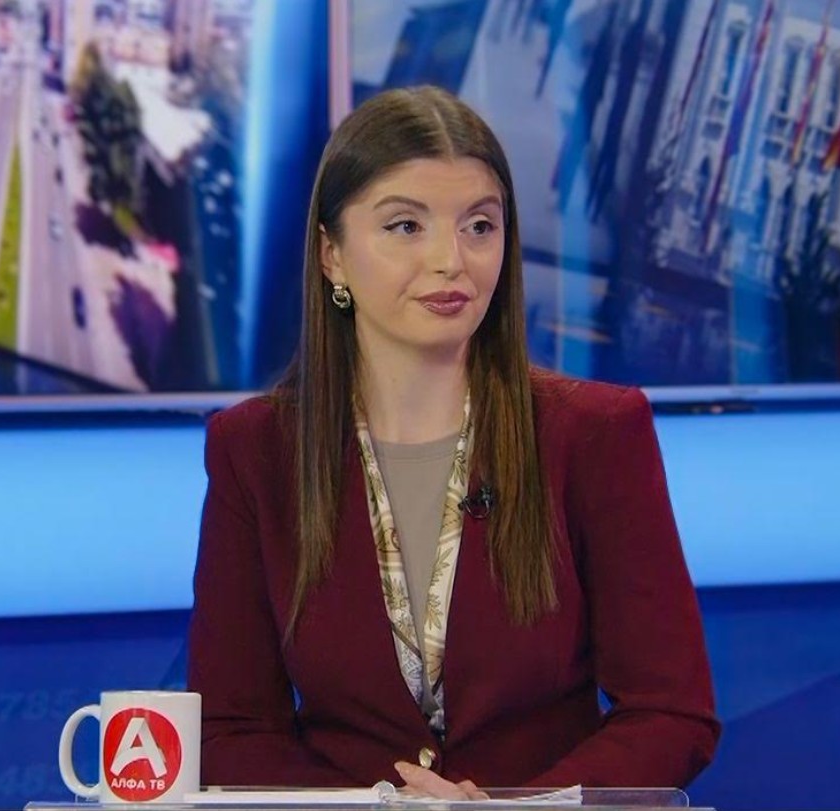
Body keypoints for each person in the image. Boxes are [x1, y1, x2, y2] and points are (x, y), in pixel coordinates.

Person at [187, 86, 718, 797]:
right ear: (332, 255)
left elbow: (670, 713)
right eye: (405, 226)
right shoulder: (254, 451)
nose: (451, 260)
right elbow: (230, 729)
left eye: (479, 226)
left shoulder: (595, 433)